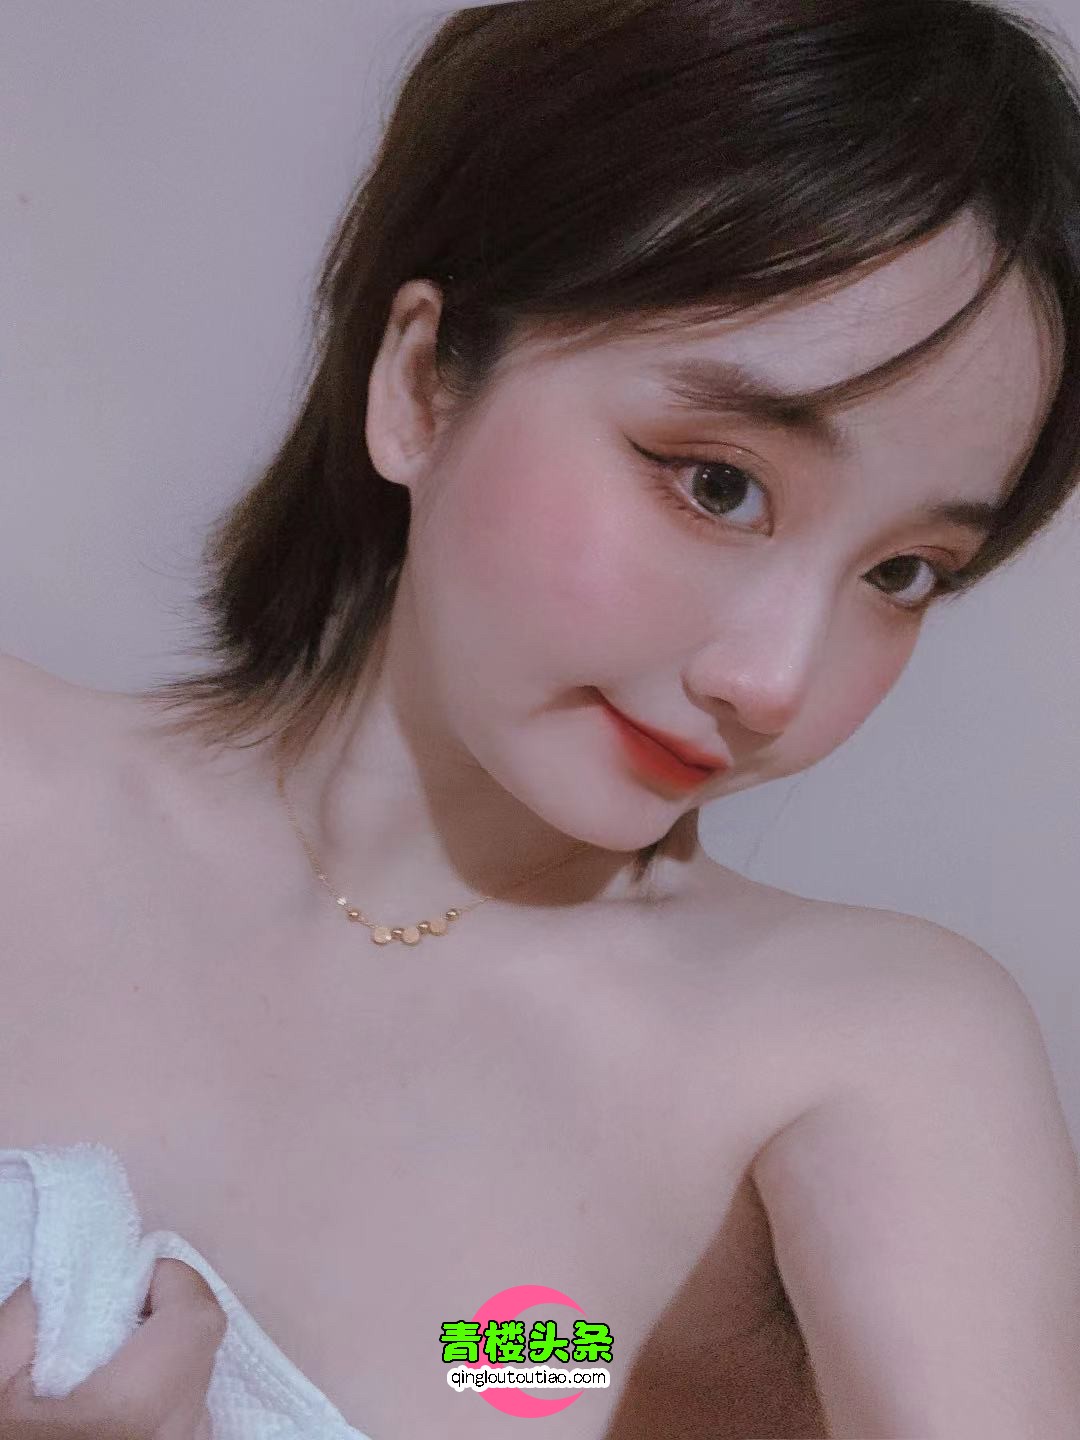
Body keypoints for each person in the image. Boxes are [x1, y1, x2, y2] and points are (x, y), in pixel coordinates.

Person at [3, 0, 1080, 1435]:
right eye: (717, 484)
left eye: (904, 571)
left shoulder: (849, 1054)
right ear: (419, 384)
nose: (774, 680)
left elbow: (507, 1368)